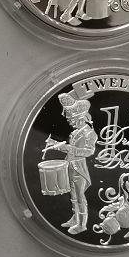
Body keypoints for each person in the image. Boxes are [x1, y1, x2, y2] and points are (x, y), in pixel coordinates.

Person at [45, 92, 98, 234]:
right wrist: (55, 144)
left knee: (80, 196)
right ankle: (75, 219)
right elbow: (69, 150)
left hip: (79, 168)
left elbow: (89, 151)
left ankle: (82, 224)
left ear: (80, 117)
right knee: (73, 196)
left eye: (70, 118)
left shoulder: (89, 133)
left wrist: (69, 148)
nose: (68, 121)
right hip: (69, 166)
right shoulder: (74, 133)